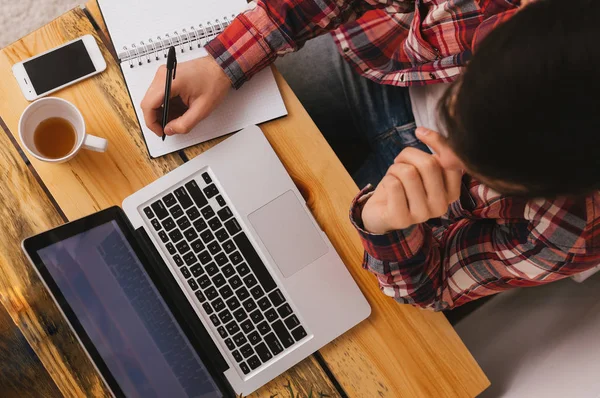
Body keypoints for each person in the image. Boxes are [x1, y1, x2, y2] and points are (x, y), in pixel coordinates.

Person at [141, 0, 600, 311]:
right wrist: (225, 61)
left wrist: (386, 227)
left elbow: (434, 285)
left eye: (480, 170)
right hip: (378, 65)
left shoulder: (578, 230)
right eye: (456, 111)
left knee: (245, 273)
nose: (440, 147)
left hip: (407, 212)